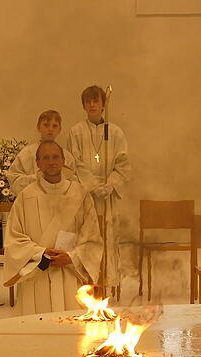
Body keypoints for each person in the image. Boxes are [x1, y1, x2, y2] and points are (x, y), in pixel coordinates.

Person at [4, 141, 102, 314]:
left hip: (70, 275)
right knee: (36, 333)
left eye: (56, 157)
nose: (51, 162)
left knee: (72, 332)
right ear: (38, 163)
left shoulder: (80, 195)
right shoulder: (26, 197)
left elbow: (92, 240)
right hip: (37, 274)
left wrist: (72, 257)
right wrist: (40, 253)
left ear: (64, 160)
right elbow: (14, 238)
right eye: (46, 158)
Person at [66, 86, 131, 295]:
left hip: (107, 197)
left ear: (104, 105)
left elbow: (123, 163)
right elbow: (74, 162)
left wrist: (110, 184)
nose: (92, 105)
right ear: (84, 106)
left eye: (96, 101)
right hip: (85, 196)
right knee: (86, 239)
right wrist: (92, 186)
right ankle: (86, 286)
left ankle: (104, 287)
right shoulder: (76, 131)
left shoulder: (115, 132)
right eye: (88, 102)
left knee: (106, 240)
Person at [6, 110, 81, 195]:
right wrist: (38, 178)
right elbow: (14, 180)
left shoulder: (67, 157)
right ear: (38, 127)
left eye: (54, 126)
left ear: (59, 130)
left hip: (60, 202)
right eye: (46, 125)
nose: (50, 129)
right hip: (33, 200)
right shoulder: (26, 154)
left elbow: (74, 183)